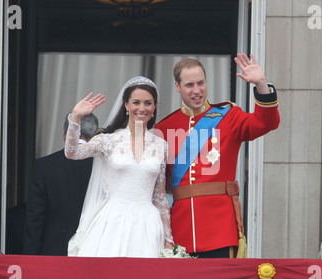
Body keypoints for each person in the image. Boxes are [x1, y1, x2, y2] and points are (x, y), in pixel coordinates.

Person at [155, 53, 280, 258]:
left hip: (220, 231)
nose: (197, 91)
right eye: (189, 85)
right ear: (177, 87)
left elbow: (267, 123)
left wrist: (261, 85)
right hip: (181, 232)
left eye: (201, 83)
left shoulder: (229, 116)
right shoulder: (165, 127)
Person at [65, 76, 174, 258]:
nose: (142, 108)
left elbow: (160, 195)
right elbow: (72, 152)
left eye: (148, 103)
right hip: (112, 222)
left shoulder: (160, 145)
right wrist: (75, 117)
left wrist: (168, 239)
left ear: (154, 107)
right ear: (126, 105)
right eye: (136, 102)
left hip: (148, 225)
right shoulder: (108, 140)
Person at [23, 113, 99, 256]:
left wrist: (29, 259)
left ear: (65, 134)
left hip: (53, 253)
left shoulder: (44, 166)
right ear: (95, 135)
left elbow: (35, 219)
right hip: (93, 252)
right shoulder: (103, 167)